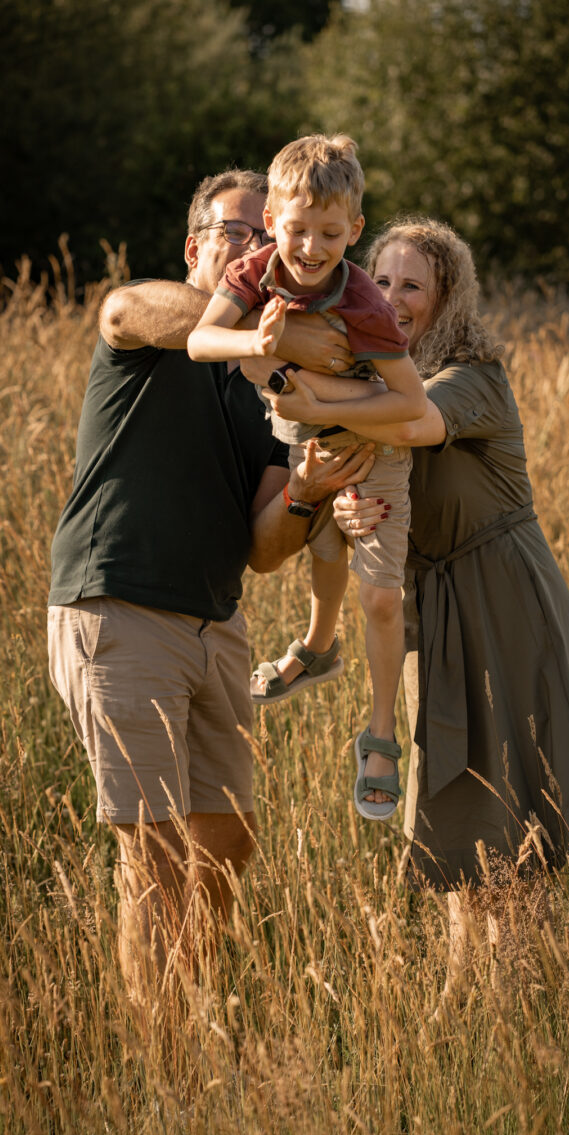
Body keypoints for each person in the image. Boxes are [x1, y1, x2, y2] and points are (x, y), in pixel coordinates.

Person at [47, 168, 374, 1002]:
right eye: (236, 233)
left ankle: (187, 1011)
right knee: (152, 858)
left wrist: (308, 487)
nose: (257, 250)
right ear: (196, 249)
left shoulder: (268, 394)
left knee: (226, 841)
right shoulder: (154, 331)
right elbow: (120, 309)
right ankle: (169, 1077)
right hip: (120, 609)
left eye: (266, 235)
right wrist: (288, 338)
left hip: (215, 629)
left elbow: (267, 549)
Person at [258, 215, 569, 895]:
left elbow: (413, 421)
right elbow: (373, 482)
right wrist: (349, 508)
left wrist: (294, 391)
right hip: (431, 610)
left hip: (502, 599)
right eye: (379, 280)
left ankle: (510, 988)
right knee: (448, 815)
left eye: (412, 285)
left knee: (512, 817)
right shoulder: (374, 380)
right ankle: (462, 990)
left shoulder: (473, 377)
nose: (390, 298)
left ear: (449, 298)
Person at [187, 134, 426, 822]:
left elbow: (411, 402)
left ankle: (380, 735)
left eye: (330, 233)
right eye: (297, 230)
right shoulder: (255, 271)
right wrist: (259, 345)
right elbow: (204, 339)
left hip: (376, 444)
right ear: (272, 223)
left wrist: (320, 401)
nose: (313, 249)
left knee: (380, 598)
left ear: (355, 229)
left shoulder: (363, 302)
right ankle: (318, 648)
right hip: (302, 440)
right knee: (323, 550)